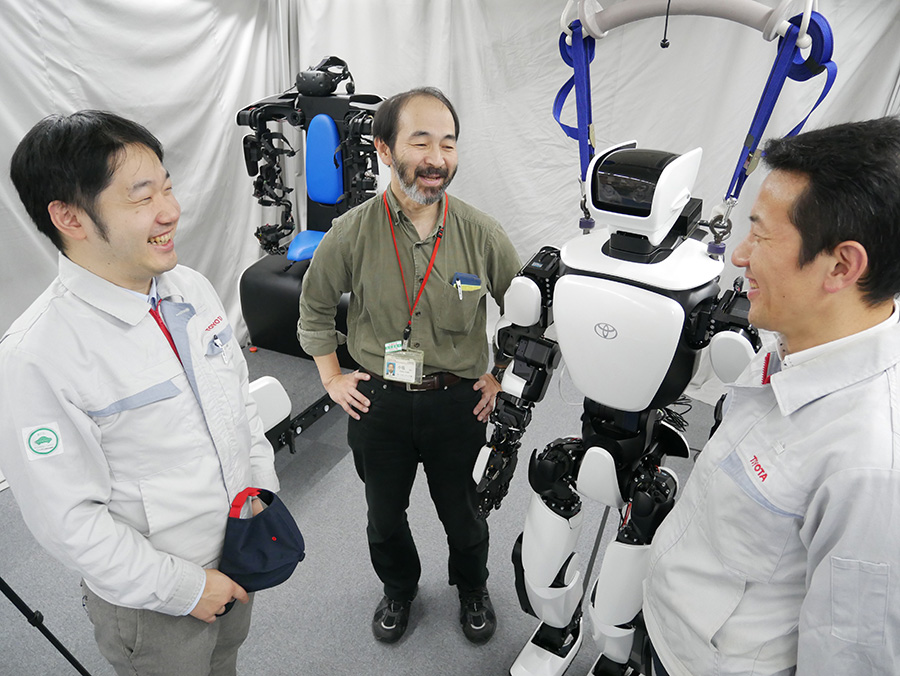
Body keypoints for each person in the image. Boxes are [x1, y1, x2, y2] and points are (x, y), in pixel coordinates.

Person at [0, 111, 280, 676]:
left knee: (225, 663)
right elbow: (69, 521)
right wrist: (184, 588)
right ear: (69, 217)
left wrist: (259, 492)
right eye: (142, 196)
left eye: (167, 187)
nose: (170, 210)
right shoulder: (36, 355)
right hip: (155, 604)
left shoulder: (190, 287)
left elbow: (237, 404)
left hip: (237, 548)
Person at [643, 116, 900, 676]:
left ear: (841, 265)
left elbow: (849, 658)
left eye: (760, 236)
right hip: (669, 623)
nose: (739, 255)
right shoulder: (794, 339)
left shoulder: (871, 467)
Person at [298, 87, 521, 644]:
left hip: (458, 402)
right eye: (420, 142)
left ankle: (472, 586)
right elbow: (314, 306)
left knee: (464, 511)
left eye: (448, 143)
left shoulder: (482, 234)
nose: (436, 158)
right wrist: (331, 376)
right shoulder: (351, 233)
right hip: (379, 403)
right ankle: (398, 587)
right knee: (384, 514)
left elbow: (527, 316)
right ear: (384, 148)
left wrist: (501, 375)